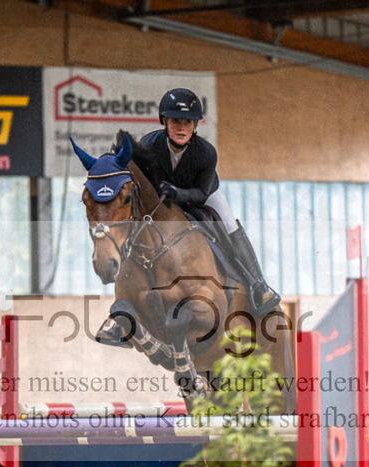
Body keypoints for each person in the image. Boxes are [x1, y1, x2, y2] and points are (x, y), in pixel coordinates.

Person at [96, 88, 281, 347]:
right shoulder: (149, 145)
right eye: (175, 121)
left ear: (195, 125)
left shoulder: (206, 152)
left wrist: (178, 193)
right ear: (164, 122)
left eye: (188, 122)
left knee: (230, 225)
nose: (181, 127)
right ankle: (123, 314)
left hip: (202, 195)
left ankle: (259, 285)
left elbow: (201, 193)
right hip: (164, 199)